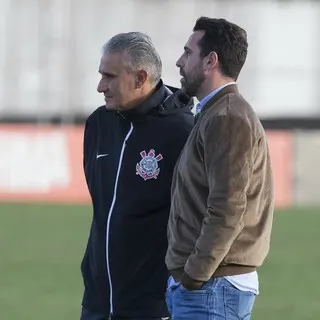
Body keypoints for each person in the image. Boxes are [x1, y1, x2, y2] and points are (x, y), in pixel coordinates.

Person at [165, 17, 274, 320]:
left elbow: (228, 209)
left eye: (188, 52)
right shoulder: (216, 113)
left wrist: (194, 275)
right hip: (206, 287)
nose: (179, 61)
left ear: (210, 61)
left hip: (211, 288)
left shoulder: (226, 118)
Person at [80, 32, 194, 320]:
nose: (100, 86)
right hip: (96, 303)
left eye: (110, 76)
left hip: (152, 306)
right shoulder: (98, 124)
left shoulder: (183, 132)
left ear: (141, 78)